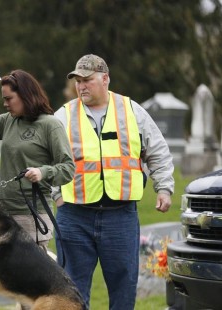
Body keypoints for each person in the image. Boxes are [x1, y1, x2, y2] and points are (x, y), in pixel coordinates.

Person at [53, 54, 175, 310]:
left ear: (105, 78)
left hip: (120, 217)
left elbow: (158, 150)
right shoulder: (63, 116)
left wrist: (163, 188)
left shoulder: (131, 111)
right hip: (74, 216)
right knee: (71, 292)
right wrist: (56, 195)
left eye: (87, 80)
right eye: (78, 81)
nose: (81, 86)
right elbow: (44, 157)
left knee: (123, 287)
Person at [0, 70, 75, 310]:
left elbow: (68, 168)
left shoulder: (50, 125)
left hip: (31, 217)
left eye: (8, 98)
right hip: (1, 215)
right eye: (3, 99)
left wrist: (43, 172)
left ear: (25, 95)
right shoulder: (8, 121)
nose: (4, 104)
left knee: (29, 288)